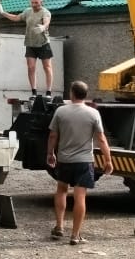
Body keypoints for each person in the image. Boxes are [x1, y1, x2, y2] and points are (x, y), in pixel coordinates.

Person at [45, 81, 113, 245]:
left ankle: (59, 226)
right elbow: (101, 139)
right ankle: (75, 235)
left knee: (61, 190)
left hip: (65, 160)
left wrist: (50, 153)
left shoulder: (61, 111)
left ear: (72, 93)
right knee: (79, 197)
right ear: (86, 94)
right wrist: (108, 159)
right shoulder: (93, 113)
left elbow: (53, 135)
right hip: (84, 162)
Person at [2, 0, 54, 96]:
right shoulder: (27, 11)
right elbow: (16, 18)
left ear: (41, 2)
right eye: (33, 2)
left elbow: (46, 22)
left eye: (36, 3)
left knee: (47, 67)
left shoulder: (45, 12)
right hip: (30, 43)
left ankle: (48, 91)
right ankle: (34, 91)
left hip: (43, 43)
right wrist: (3, 13)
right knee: (31, 67)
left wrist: (43, 27)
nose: (34, 4)